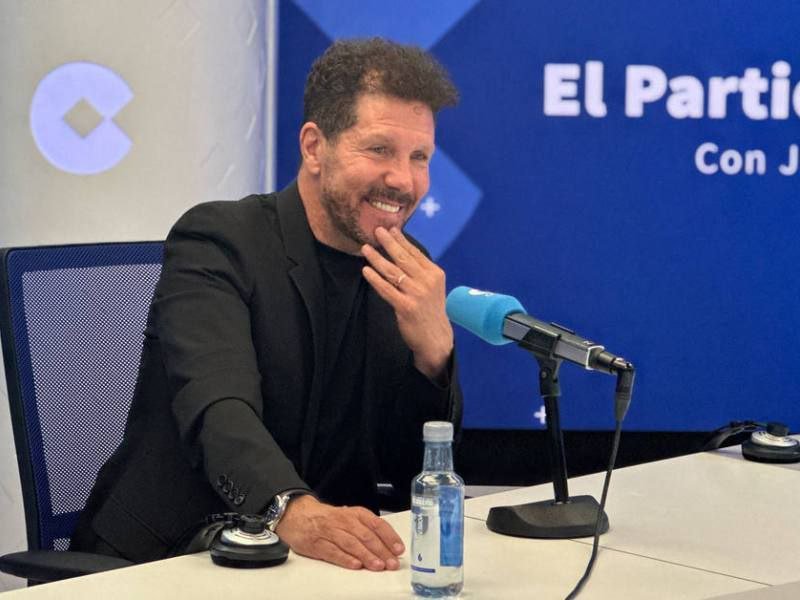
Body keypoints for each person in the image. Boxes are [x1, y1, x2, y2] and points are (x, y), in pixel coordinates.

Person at [70, 37, 463, 573]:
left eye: (419, 158)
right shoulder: (218, 240)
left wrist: (433, 360)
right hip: (168, 558)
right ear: (313, 147)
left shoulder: (404, 268)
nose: (403, 180)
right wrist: (290, 509)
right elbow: (219, 410)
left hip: (319, 567)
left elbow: (408, 469)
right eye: (379, 150)